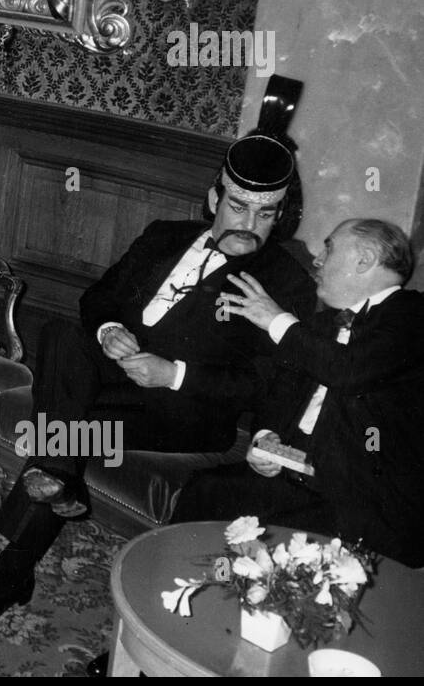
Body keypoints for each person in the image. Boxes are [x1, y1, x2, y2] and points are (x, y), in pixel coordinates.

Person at [0, 132, 316, 620]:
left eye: (265, 214)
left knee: (68, 426)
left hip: (187, 412)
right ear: (213, 197)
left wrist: (174, 374)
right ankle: (52, 482)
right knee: (62, 334)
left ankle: (17, 558)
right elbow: (96, 299)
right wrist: (110, 330)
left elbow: (267, 383)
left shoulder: (286, 282)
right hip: (118, 379)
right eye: (239, 206)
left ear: (281, 214)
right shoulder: (164, 236)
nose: (249, 225)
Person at [173, 218, 423, 568]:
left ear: (364, 260)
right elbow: (277, 391)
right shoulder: (321, 327)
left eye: (329, 247)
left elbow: (348, 371)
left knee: (282, 563)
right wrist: (263, 439)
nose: (318, 260)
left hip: (361, 501)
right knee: (205, 491)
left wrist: (276, 319)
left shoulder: (412, 315)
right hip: (299, 478)